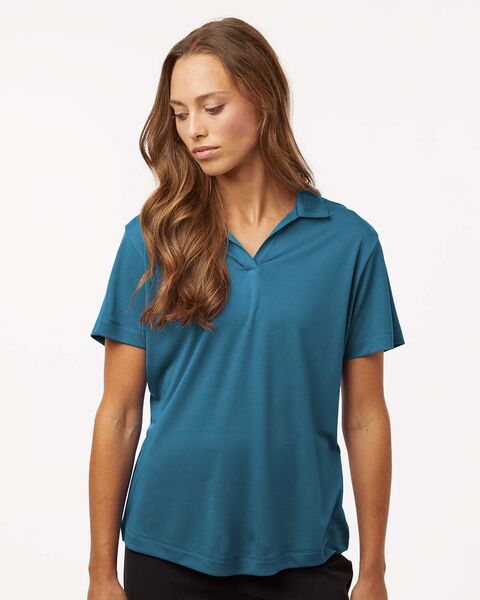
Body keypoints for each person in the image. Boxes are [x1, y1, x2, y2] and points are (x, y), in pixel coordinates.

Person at [87, 16, 405, 600]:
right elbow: (119, 413)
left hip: (304, 552)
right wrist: (100, 573)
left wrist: (375, 570)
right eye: (179, 114)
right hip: (168, 548)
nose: (194, 130)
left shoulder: (349, 244)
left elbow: (365, 416)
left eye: (212, 107)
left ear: (263, 101)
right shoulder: (150, 241)